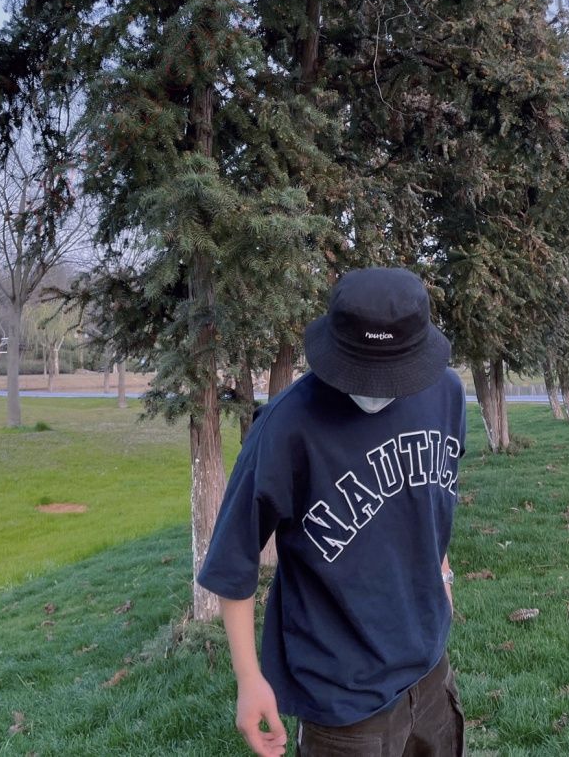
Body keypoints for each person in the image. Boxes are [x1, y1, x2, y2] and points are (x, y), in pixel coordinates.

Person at [198, 267, 467, 756]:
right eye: (364, 370)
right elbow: (232, 562)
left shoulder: (444, 394)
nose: (377, 386)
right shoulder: (287, 425)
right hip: (343, 701)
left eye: (391, 373)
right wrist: (248, 678)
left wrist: (443, 576)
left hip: (430, 671)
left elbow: (431, 498)